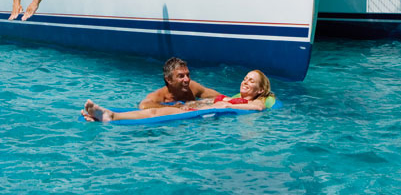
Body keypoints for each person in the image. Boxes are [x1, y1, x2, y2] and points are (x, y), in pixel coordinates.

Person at [82, 70, 273, 123]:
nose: (245, 82)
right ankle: (107, 115)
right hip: (189, 108)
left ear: (259, 90)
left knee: (155, 113)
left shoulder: (254, 101)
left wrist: (228, 107)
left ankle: (110, 116)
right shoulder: (233, 97)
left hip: (193, 112)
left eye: (251, 81)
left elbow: (259, 108)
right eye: (245, 78)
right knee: (154, 109)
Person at [139, 57, 222, 109]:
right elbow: (143, 105)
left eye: (188, 75)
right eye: (181, 76)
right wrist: (172, 107)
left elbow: (218, 96)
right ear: (169, 80)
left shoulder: (192, 87)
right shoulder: (159, 96)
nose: (187, 79)